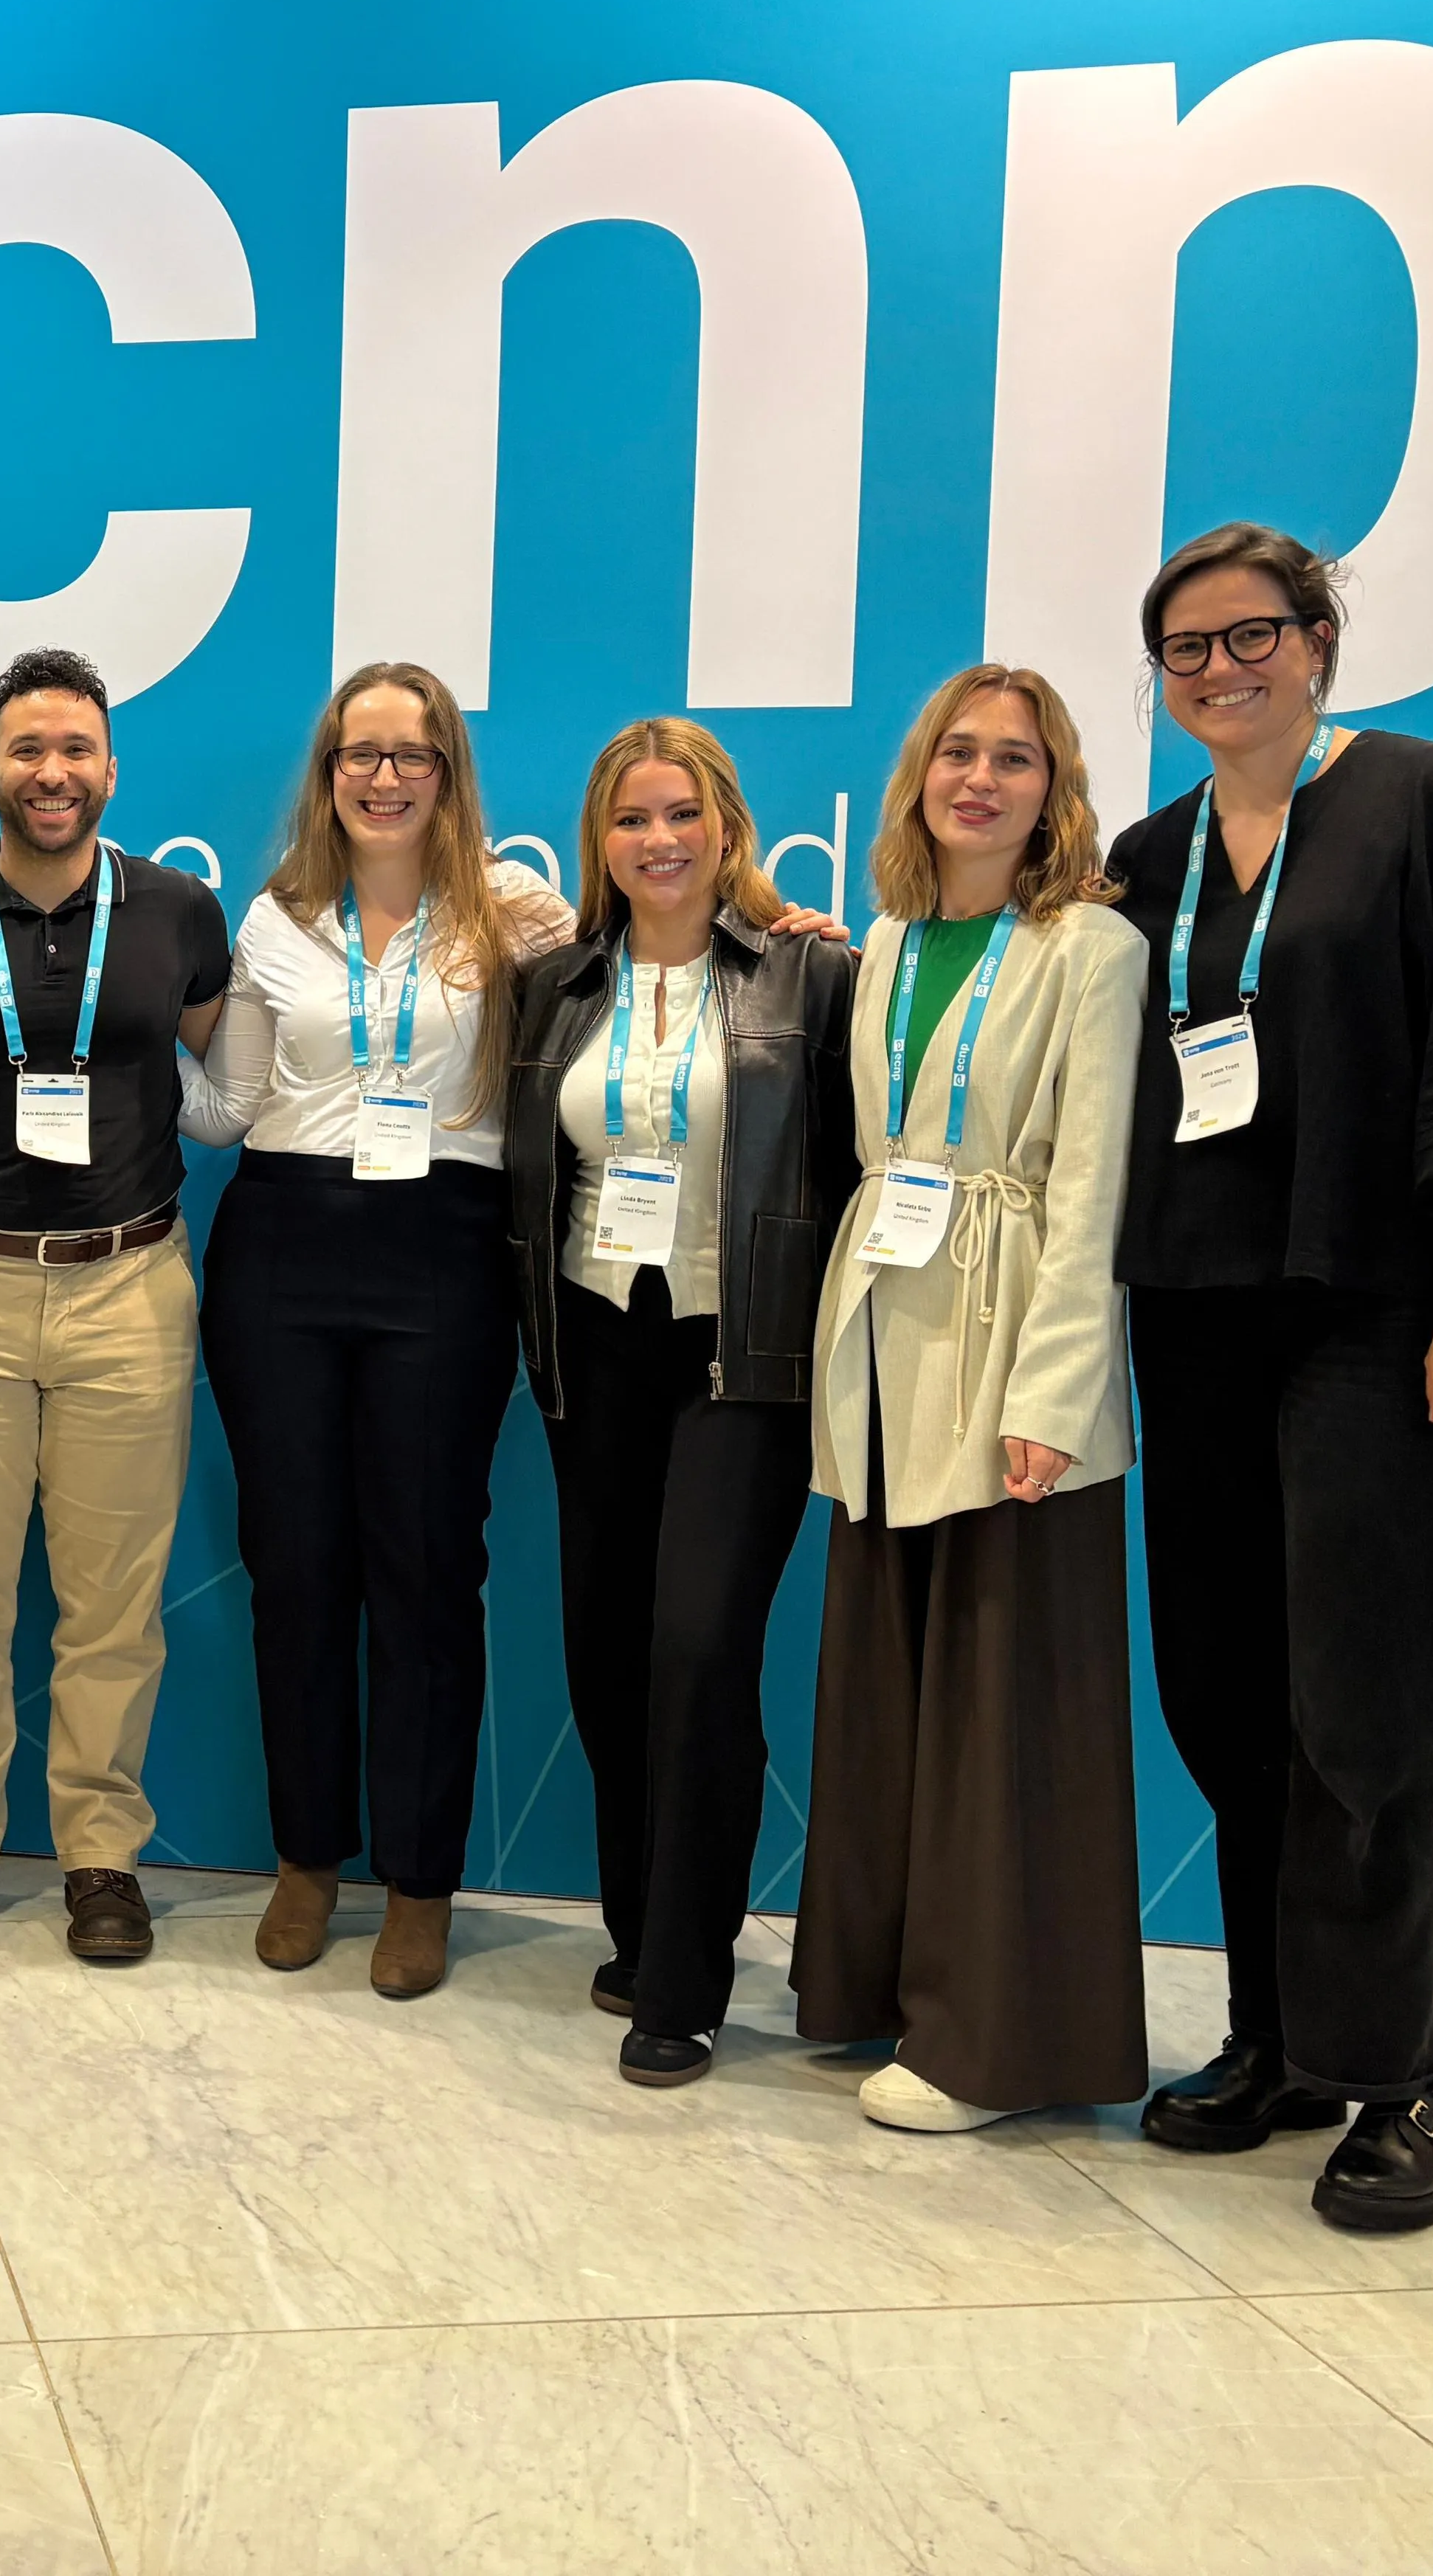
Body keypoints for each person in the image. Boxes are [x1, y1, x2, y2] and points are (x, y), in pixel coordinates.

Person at [1108, 522, 1433, 2232]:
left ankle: (1404, 2081)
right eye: (1185, 652)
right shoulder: (1153, 862)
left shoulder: (1432, 800)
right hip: (1199, 1315)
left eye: (1251, 638)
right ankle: (1283, 2039)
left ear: (1318, 639)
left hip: (1383, 1315)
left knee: (1366, 1699)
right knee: (1227, 1692)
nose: (1219, 671)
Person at [789, 665, 1148, 2129]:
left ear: (1051, 788)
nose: (979, 780)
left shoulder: (1088, 947)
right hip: (885, 1340)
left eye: (1014, 758)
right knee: (891, 1681)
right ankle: (877, 1988)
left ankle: (991, 2043)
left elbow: (1089, 1191)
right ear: (918, 779)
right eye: (957, 753)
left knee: (1006, 1704)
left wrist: (1053, 1397)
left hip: (1010, 1354)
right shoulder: (885, 941)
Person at [182, 662, 571, 1997]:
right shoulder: (276, 920)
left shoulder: (517, 915)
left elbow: (657, 964)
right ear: (329, 771)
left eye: (412, 754)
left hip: (444, 1258)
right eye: (362, 754)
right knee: (295, 1569)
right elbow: (225, 1110)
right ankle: (308, 1858)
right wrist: (96, 1035)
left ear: (448, 772)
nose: (385, 776)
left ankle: (420, 1879)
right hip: (283, 1249)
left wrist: (779, 922)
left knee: (424, 1572)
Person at [0, 646, 230, 1964]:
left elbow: (260, 1065)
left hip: (129, 1286)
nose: (52, 773)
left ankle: (101, 1858)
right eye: (28, 750)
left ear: (111, 769)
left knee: (111, 1603)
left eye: (75, 750)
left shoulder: (182, 914)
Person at [503, 719, 857, 2088]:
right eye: (631, 819)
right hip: (595, 1351)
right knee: (606, 1649)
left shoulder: (806, 975)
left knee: (701, 1647)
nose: (659, 842)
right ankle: (639, 1925)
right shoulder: (559, 986)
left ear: (725, 829)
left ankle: (691, 1977)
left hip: (742, 1359)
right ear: (600, 841)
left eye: (681, 816)